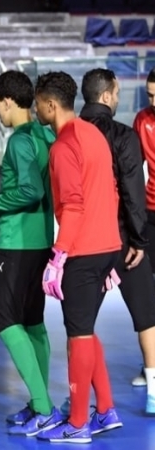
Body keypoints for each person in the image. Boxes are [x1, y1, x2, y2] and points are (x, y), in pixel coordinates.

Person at [33, 71, 123, 443]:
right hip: (106, 248)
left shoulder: (64, 145)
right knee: (85, 329)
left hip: (83, 251)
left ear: (51, 105)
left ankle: (77, 423)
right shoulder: (94, 135)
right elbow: (112, 192)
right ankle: (104, 410)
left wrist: (59, 256)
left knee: (78, 333)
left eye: (38, 103)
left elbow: (72, 205)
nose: (35, 108)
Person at [0, 70, 61, 435]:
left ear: (8, 101)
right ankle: (40, 402)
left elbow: (30, 190)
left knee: (8, 322)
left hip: (16, 244)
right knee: (33, 322)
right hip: (42, 239)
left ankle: (43, 406)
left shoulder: (19, 141)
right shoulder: (47, 133)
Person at [80, 68, 155, 415]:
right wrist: (138, 239)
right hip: (124, 239)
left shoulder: (67, 135)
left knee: (79, 325)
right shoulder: (126, 133)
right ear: (109, 95)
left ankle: (82, 400)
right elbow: (132, 192)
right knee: (146, 314)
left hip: (85, 242)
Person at [132, 66, 155, 389]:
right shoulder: (142, 120)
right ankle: (151, 364)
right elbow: (133, 165)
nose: (154, 100)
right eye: (151, 95)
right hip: (150, 213)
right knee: (148, 290)